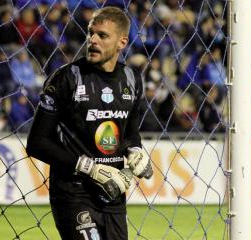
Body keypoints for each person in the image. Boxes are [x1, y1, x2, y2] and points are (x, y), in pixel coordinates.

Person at [26, 6, 153, 240]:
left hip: (112, 194)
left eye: (102, 35)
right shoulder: (66, 78)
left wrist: (135, 151)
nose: (92, 40)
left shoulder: (132, 79)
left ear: (122, 42)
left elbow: (130, 134)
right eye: (90, 33)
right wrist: (91, 169)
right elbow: (37, 143)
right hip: (74, 193)